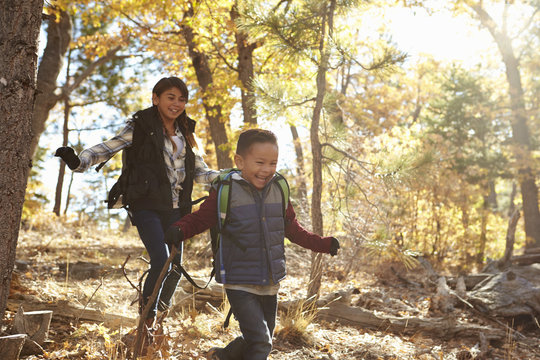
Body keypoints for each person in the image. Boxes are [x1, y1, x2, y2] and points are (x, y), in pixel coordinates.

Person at [54, 77, 219, 329]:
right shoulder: (140, 127)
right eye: (170, 97)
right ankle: (145, 320)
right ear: (156, 98)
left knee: (175, 269)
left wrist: (229, 178)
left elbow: (200, 170)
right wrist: (79, 162)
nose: (176, 103)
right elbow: (108, 147)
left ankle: (157, 322)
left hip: (177, 210)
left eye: (182, 99)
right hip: (146, 206)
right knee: (161, 260)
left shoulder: (186, 131)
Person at [163, 129, 340, 360]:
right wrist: (180, 229)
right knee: (261, 342)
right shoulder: (226, 190)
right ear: (240, 161)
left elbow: (293, 230)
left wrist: (323, 244)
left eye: (272, 163)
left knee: (255, 337)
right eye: (259, 162)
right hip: (239, 280)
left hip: (270, 280)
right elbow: (201, 218)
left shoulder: (279, 189)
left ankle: (221, 356)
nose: (266, 169)